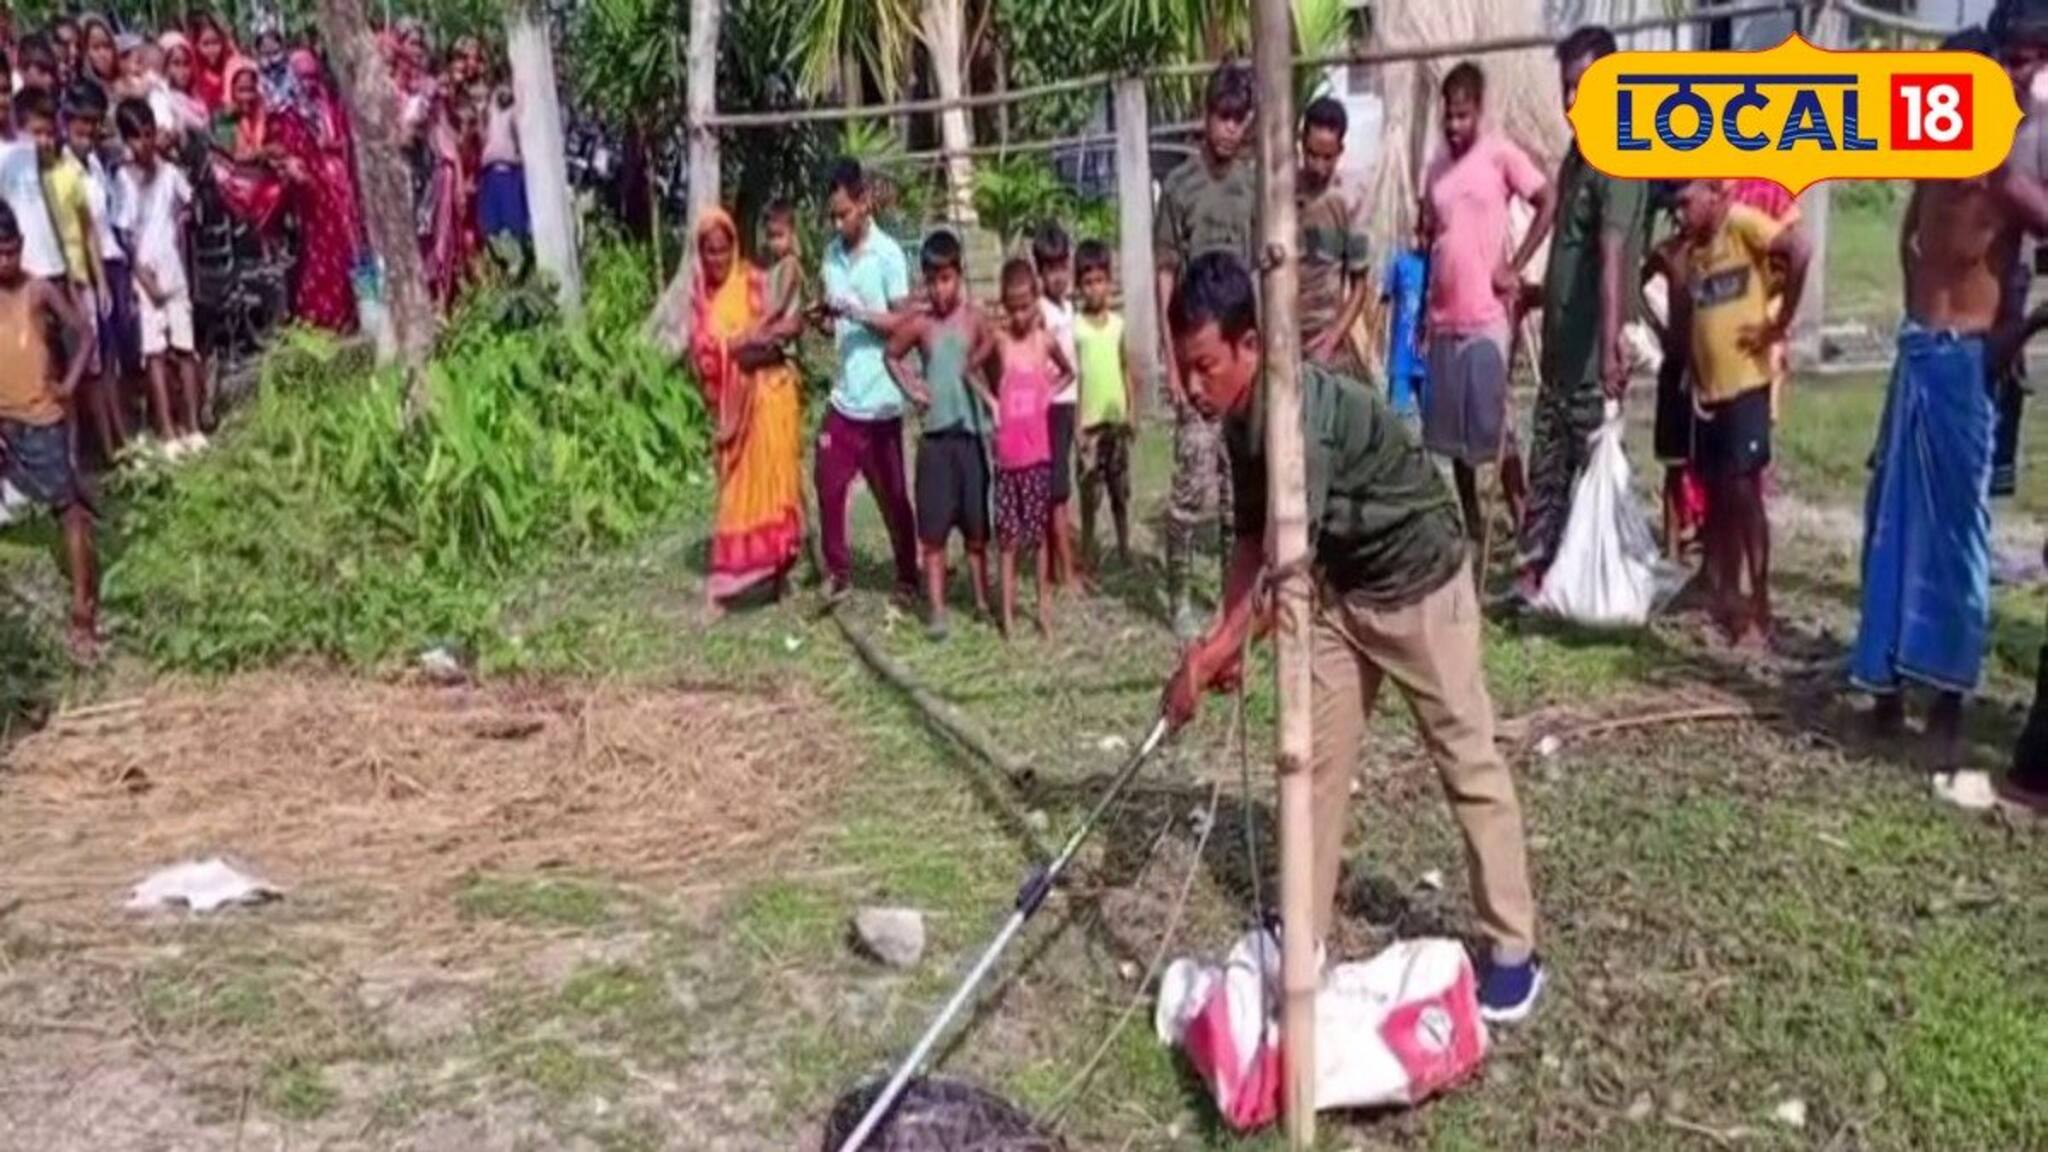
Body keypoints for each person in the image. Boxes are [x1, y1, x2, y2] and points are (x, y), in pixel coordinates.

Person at [1159, 252, 1544, 1023]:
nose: (1194, 387)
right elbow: (1248, 540)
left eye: (1206, 367)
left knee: (1465, 757)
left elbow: (1281, 568)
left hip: (1422, 586)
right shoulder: (1236, 418)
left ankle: (1514, 950)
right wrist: (1218, 639)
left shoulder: (1300, 415)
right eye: (1185, 368)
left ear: (1249, 346)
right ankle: (1301, 933)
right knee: (1311, 764)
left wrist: (1210, 657)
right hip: (1342, 597)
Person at [1855, 8, 2048, 765]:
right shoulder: (1934, 156)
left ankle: (1948, 700)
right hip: (1916, 352)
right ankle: (1887, 685)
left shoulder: (2012, 162)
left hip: (1968, 361)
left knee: (1957, 536)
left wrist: (2017, 332)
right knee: (1891, 524)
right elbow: (1912, 244)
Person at [1518, 25, 1648, 596]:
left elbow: (1611, 250)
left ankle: (1595, 580)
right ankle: (1536, 572)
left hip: (1594, 354)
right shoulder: (1579, 154)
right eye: (1567, 88)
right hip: (1560, 354)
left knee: (1593, 468)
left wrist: (1614, 340)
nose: (1571, 101)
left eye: (1583, 87)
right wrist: (1535, 294)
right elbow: (1572, 254)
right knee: (1548, 463)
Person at [1421, 61, 1555, 583]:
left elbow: (1546, 200)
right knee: (1452, 437)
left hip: (1486, 318)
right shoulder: (1434, 169)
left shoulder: (1499, 154)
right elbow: (1431, 234)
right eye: (1448, 117)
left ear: (1477, 111)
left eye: (1462, 116)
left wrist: (1516, 266)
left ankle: (1526, 535)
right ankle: (1473, 528)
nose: (1454, 126)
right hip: (1444, 319)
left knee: (1494, 429)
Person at [1672, 178, 1810, 649]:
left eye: (1687, 202)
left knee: (1745, 494)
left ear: (1713, 195)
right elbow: (1695, 316)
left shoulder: (1743, 224)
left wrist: (1779, 324)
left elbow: (1801, 249)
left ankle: (1761, 606)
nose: (1681, 213)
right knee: (1720, 498)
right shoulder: (1695, 252)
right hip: (1709, 394)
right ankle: (1727, 599)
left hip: (1746, 389)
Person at [1157, 61, 1256, 641]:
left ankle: (1231, 595)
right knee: (1191, 487)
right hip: (1195, 361)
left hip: (1237, 366)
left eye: (1239, 119)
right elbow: (1166, 277)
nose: (1229, 129)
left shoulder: (1251, 188)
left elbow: (1263, 268)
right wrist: (1172, 365)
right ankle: (1177, 596)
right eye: (1222, 116)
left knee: (1236, 490)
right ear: (1205, 115)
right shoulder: (1180, 188)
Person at [686, 207, 805, 617]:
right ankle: (722, 589)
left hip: (769, 398)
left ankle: (778, 574)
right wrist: (730, 348)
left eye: (722, 250)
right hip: (731, 414)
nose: (717, 260)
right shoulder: (701, 302)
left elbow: (787, 328)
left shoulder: (755, 282)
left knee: (776, 488)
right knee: (737, 497)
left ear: (734, 246)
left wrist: (746, 345)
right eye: (709, 252)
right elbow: (700, 357)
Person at [814, 158, 919, 602]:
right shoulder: (831, 256)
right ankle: (837, 573)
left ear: (864, 201)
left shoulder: (888, 255)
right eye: (833, 215)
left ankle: (908, 575)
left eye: (845, 213)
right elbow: (834, 323)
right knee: (827, 480)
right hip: (845, 396)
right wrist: (822, 318)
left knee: (892, 494)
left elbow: (905, 324)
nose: (839, 223)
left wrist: (859, 313)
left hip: (881, 400)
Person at [0, 202, 99, 660]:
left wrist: (70, 383)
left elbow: (84, 332)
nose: (7, 261)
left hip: (44, 417)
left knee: (71, 514)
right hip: (6, 424)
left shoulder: (37, 290)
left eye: (13, 251)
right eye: (0, 253)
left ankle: (83, 614)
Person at [885, 229, 992, 638]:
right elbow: (890, 355)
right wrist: (911, 385)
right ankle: (938, 609)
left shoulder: (975, 320)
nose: (939, 288)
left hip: (970, 438)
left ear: (959, 276)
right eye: (931, 280)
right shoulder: (921, 325)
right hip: (935, 442)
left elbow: (992, 353)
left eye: (945, 279)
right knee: (932, 533)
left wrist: (997, 406)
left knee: (976, 530)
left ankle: (982, 602)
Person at [982, 258, 1071, 639]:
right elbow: (972, 369)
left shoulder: (1044, 342)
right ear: (1003, 304)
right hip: (1006, 460)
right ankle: (1008, 618)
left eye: (1025, 305)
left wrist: (1046, 395)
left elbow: (1069, 371)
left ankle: (1044, 612)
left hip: (1037, 458)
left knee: (1037, 540)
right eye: (1012, 307)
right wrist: (991, 402)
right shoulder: (999, 343)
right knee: (1007, 541)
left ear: (1036, 299)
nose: (1019, 315)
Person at [115, 98, 203, 457]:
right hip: (145, 275)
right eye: (136, 138)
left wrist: (185, 218)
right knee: (154, 354)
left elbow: (190, 204)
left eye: (149, 135)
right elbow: (124, 236)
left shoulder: (169, 173)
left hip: (173, 269)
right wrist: (141, 277)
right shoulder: (123, 180)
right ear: (126, 140)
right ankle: (167, 431)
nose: (144, 145)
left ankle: (193, 426)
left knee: (184, 348)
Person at [30, 86, 114, 463]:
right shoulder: (20, 178)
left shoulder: (68, 172)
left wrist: (100, 280)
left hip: (76, 282)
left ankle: (87, 453)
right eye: (37, 133)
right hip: (38, 286)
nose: (44, 140)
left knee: (86, 367)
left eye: (49, 132)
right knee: (44, 370)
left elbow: (88, 229)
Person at [68, 80, 134, 463]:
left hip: (112, 259)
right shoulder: (62, 168)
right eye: (81, 125)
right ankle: (109, 447)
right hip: (86, 270)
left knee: (115, 357)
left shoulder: (96, 161)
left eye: (93, 124)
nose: (88, 132)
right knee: (96, 362)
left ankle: (122, 436)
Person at [273, 49, 360, 332]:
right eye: (302, 77)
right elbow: (291, 153)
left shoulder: (329, 105)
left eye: (313, 76)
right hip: (313, 192)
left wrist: (334, 147)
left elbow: (345, 139)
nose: (309, 83)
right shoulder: (290, 114)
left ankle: (347, 313)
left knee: (347, 247)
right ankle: (321, 316)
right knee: (320, 252)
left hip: (340, 186)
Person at [1073, 238, 1138, 570]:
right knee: (1088, 493)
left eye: (1100, 281)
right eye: (1087, 283)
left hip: (1116, 422)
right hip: (1089, 425)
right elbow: (1077, 379)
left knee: (1119, 491)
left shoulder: (1118, 326)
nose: (1094, 289)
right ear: (1078, 287)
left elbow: (1126, 369)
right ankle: (1087, 552)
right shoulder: (1076, 329)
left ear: (1109, 283)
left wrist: (1133, 413)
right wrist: (1077, 429)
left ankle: (1125, 547)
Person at [1298, 97, 1372, 374]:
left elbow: (1359, 288)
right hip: (1282, 338)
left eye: (1327, 157)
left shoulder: (1348, 202)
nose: (1318, 166)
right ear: (1301, 143)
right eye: (1312, 154)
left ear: (1340, 150)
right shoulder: (1281, 196)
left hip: (1324, 341)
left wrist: (1331, 339)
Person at [1033, 222, 1080, 590]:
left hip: (1068, 405)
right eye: (1050, 269)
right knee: (1056, 492)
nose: (1058, 276)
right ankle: (1064, 573)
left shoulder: (1067, 306)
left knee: (1058, 489)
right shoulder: (1040, 313)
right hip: (1049, 407)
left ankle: (1056, 567)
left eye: (1062, 266)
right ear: (1039, 271)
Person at [0, 87, 70, 290]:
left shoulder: (27, 151)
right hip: (23, 277)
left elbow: (50, 216)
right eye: (38, 132)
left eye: (5, 91)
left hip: (54, 268)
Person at [1382, 222, 1430, 417]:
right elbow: (1384, 301)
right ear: (1417, 234)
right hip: (1402, 356)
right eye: (1423, 234)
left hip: (1429, 358)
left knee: (1433, 419)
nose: (1426, 240)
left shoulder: (1439, 266)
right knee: (1396, 415)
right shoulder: (1400, 263)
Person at [477, 77, 529, 252]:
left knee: (513, 221)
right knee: (491, 225)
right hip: (490, 171)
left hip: (509, 171)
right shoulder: (490, 112)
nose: (503, 93)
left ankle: (518, 257)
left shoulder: (514, 114)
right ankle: (500, 259)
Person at [189, 12, 233, 112]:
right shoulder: (193, 77)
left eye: (216, 42)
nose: (212, 49)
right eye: (206, 44)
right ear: (196, 45)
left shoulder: (232, 70)